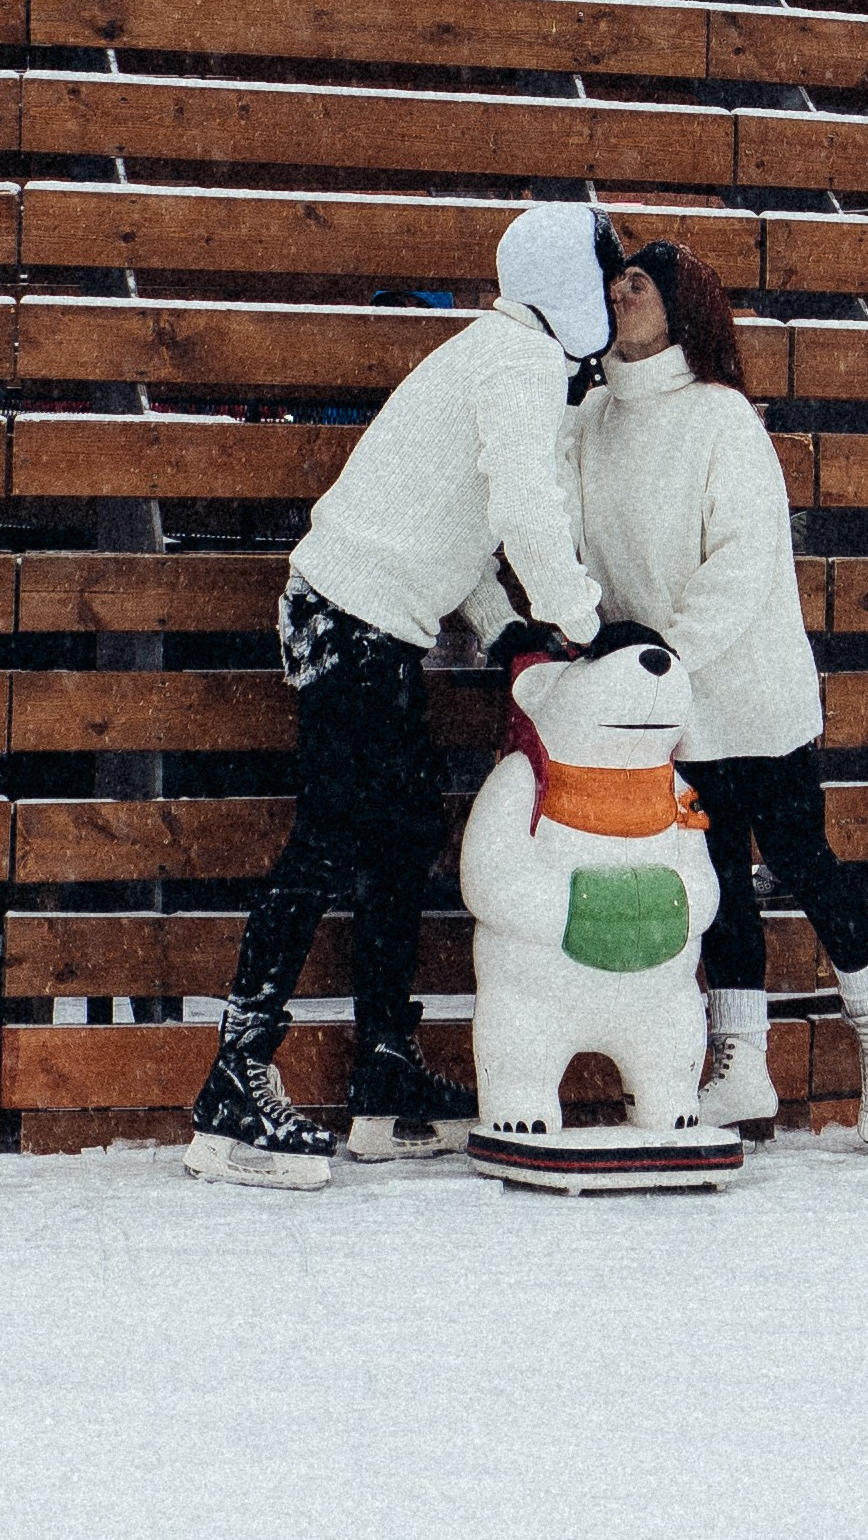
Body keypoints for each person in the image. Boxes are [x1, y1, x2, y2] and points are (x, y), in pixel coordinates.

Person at [184, 202, 612, 1187]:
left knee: (403, 827)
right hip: (349, 618)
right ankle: (234, 1085)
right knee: (330, 835)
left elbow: (450, 514)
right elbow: (519, 508)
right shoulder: (518, 363)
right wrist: (581, 621)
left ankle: (382, 1070)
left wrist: (505, 626)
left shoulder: (499, 352)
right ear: (570, 284)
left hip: (366, 616)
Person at [570, 236, 868, 1147]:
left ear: (680, 305)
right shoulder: (591, 418)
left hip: (747, 681)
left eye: (639, 283)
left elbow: (741, 561)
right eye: (614, 280)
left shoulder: (722, 417)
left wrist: (666, 654)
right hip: (670, 694)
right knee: (719, 874)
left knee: (800, 858)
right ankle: (742, 1062)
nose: (620, 293)